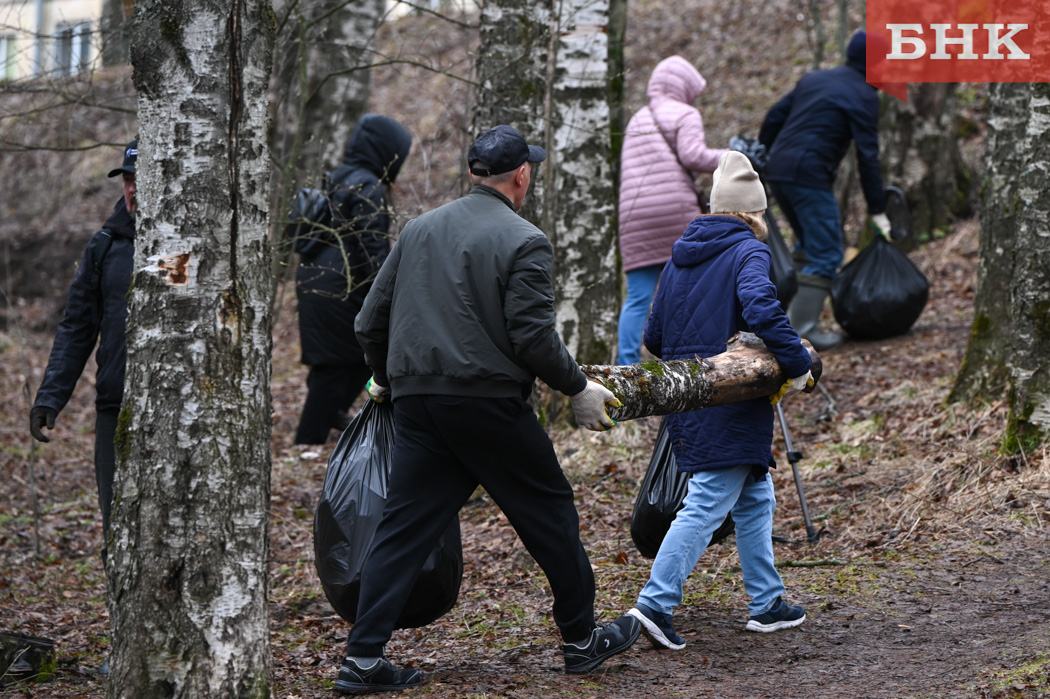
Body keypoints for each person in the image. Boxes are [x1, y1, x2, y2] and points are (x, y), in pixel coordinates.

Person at [337, 125, 641, 693]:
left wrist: (387, 377)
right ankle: (581, 639)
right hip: (486, 405)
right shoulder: (526, 240)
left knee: (403, 527)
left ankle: (362, 659)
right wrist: (577, 388)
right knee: (549, 512)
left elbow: (367, 322)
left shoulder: (418, 230)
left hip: (420, 406)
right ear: (522, 174)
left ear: (474, 172)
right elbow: (532, 337)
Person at [625, 151, 813, 651]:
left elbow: (654, 337)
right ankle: (655, 603)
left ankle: (768, 602)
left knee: (755, 496)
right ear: (754, 211)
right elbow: (762, 308)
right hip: (732, 396)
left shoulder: (679, 256)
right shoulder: (749, 251)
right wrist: (796, 363)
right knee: (706, 503)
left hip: (690, 395)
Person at [29, 139, 137, 571]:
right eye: (128, 179)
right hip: (115, 407)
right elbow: (76, 328)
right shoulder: (106, 245)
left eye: (142, 180)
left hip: (176, 413)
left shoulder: (183, 246)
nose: (133, 189)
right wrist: (50, 398)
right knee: (118, 533)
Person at [758, 30, 891, 350]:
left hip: (779, 172)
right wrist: (877, 208)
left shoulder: (814, 80)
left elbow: (775, 115)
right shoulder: (864, 96)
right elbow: (868, 157)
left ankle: (782, 325)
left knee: (807, 246)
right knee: (828, 251)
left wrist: (764, 155)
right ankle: (801, 332)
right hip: (808, 176)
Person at [294, 115, 412, 444]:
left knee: (340, 367)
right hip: (339, 294)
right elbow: (372, 251)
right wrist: (387, 298)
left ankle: (329, 418)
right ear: (386, 152)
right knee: (345, 365)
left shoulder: (339, 177)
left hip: (317, 287)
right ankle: (308, 443)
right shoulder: (369, 187)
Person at [616, 55, 727, 365]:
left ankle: (625, 367)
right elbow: (694, 156)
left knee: (637, 298)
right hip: (675, 212)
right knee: (691, 289)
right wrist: (734, 155)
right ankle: (691, 358)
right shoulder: (686, 113)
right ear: (684, 87)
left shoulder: (637, 118)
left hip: (634, 216)